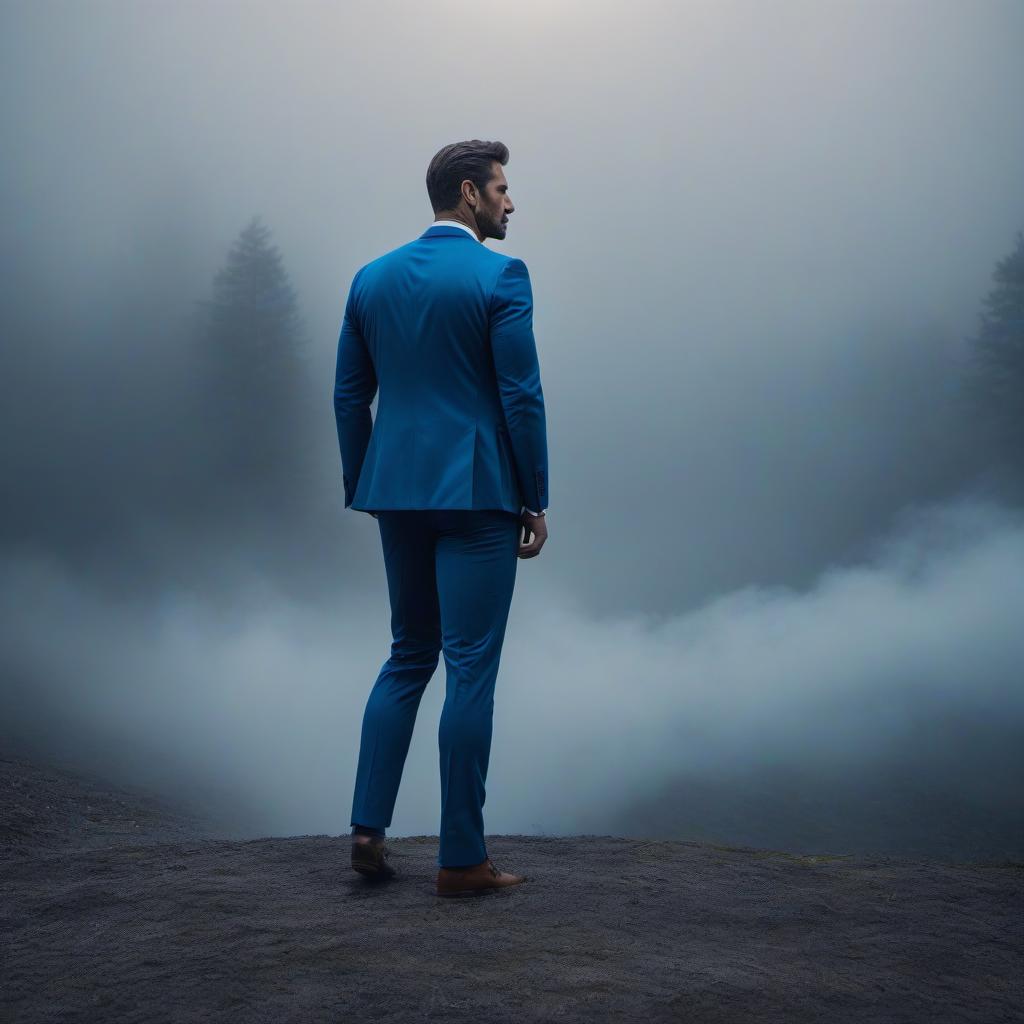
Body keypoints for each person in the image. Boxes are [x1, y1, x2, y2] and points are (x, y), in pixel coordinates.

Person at [333, 139, 549, 898]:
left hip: (398, 493)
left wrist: (369, 480)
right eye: (502, 189)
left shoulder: (371, 279)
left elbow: (348, 397)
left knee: (407, 655)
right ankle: (462, 858)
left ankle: (367, 829)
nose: (510, 202)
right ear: (468, 194)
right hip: (479, 493)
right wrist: (536, 496)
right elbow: (520, 397)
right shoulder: (501, 276)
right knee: (470, 671)